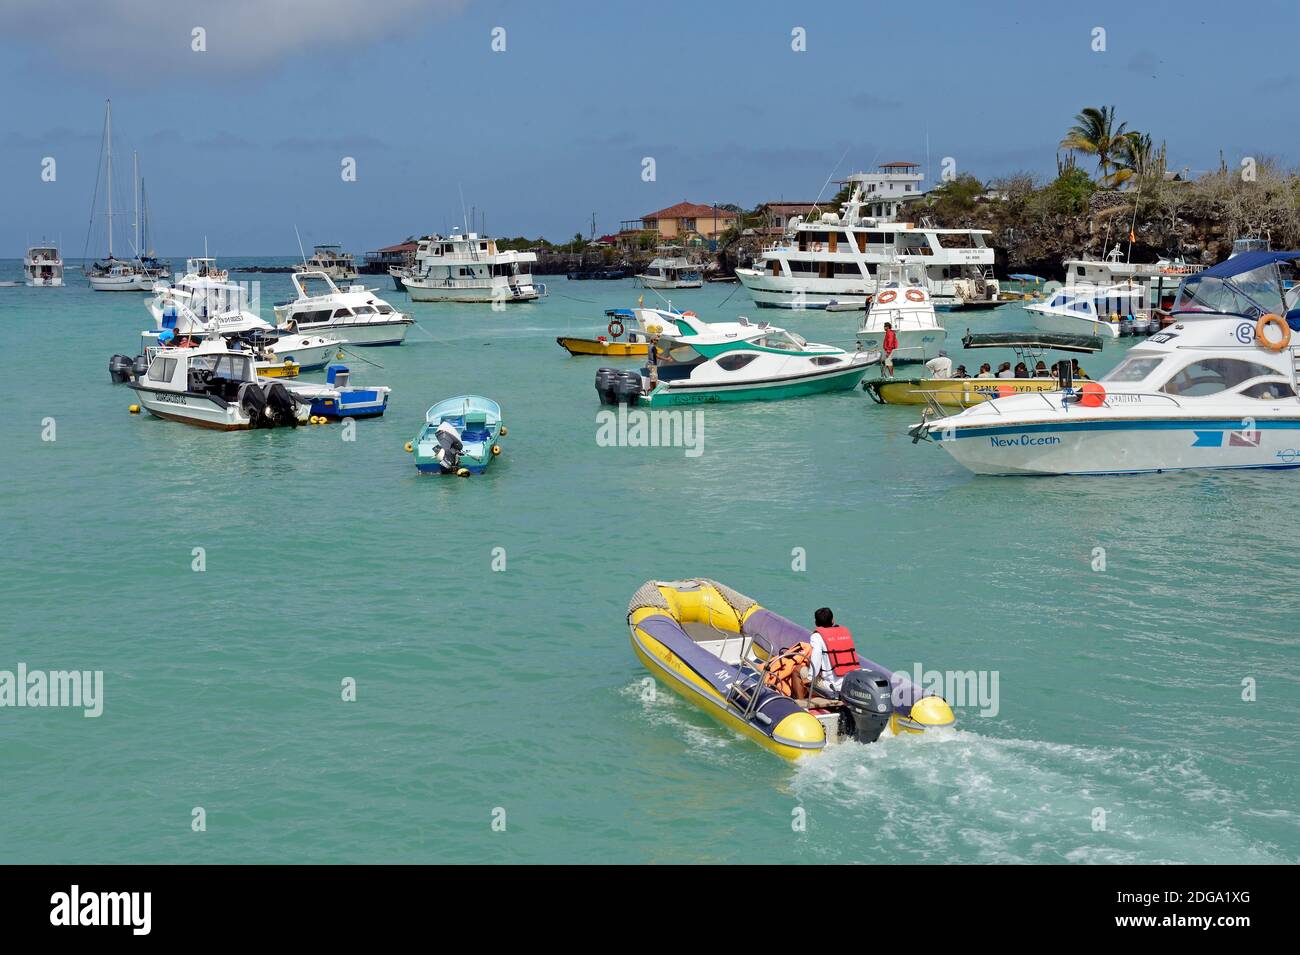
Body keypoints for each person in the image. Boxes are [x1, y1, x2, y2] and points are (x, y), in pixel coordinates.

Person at [808, 607, 861, 695]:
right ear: (833, 620)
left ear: (816, 623)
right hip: (850, 683)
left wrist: (809, 678)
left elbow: (815, 661)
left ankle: (803, 706)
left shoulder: (817, 637)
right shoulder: (845, 632)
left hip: (832, 686)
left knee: (797, 671)